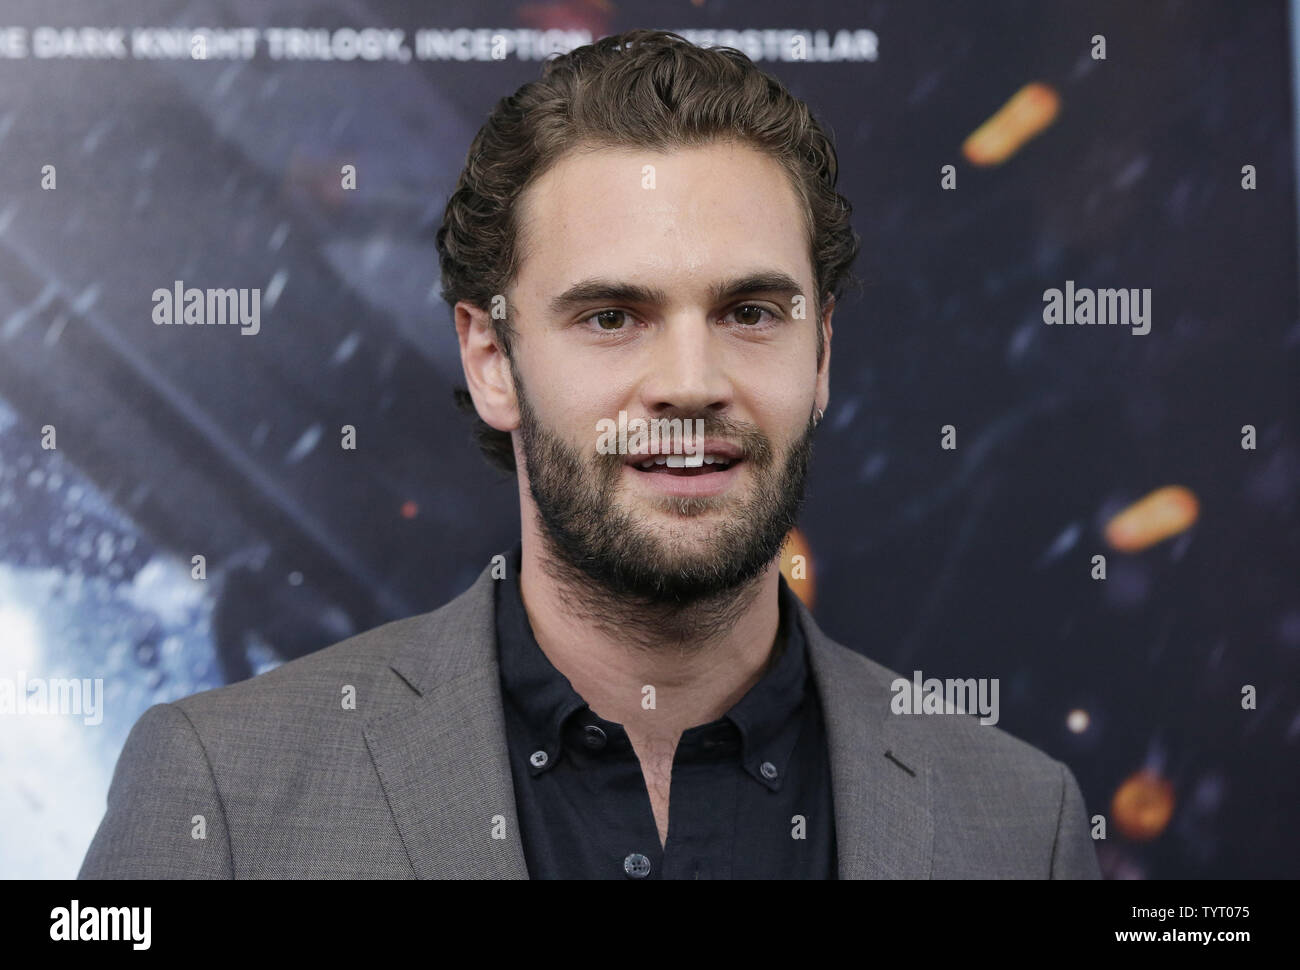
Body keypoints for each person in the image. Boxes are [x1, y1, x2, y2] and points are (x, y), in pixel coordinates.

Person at [80, 29, 1100, 879]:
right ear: (491, 359)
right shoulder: (225, 792)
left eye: (749, 311)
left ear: (821, 351)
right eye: (613, 316)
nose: (691, 379)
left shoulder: (1017, 824)